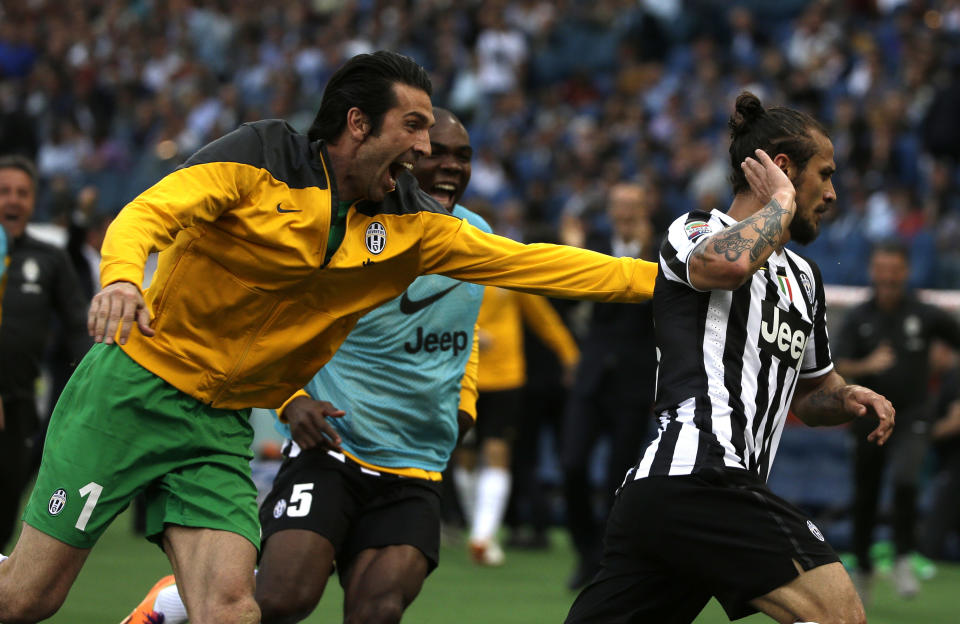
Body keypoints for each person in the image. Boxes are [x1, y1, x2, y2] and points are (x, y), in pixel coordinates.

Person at [0, 51, 658, 624]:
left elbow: (548, 264)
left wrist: (681, 276)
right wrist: (120, 280)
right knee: (28, 599)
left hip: (217, 427)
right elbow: (147, 212)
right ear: (357, 124)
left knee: (233, 611)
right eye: (414, 126)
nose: (426, 150)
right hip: (132, 393)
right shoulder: (259, 157)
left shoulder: (414, 226)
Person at [122, 107, 491, 624]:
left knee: (377, 611)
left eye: (464, 157)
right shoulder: (353, 231)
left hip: (416, 466)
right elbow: (271, 324)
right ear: (403, 162)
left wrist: (465, 404)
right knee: (282, 599)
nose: (451, 166)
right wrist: (291, 400)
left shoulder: (475, 236)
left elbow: (464, 334)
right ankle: (174, 602)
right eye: (437, 154)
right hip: (333, 449)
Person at [565, 92, 895, 624]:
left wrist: (849, 396)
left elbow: (811, 395)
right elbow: (728, 267)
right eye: (825, 175)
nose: (833, 193)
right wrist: (781, 203)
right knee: (839, 616)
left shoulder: (804, 278)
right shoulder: (694, 228)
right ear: (783, 169)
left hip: (687, 500)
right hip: (698, 475)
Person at [834, 239, 960, 601]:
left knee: (907, 477)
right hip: (868, 418)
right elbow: (838, 365)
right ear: (873, 271)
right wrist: (867, 365)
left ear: (905, 272)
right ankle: (863, 566)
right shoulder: (859, 317)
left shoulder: (924, 313)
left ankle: (904, 554)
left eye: (895, 268)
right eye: (881, 268)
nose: (888, 276)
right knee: (866, 495)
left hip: (913, 416)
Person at [559, 182, 658, 590]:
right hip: (593, 375)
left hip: (634, 382)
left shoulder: (662, 250)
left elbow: (661, 306)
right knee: (571, 463)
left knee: (620, 475)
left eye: (632, 205)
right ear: (611, 209)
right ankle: (587, 550)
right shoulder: (594, 245)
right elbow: (565, 299)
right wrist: (574, 255)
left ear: (643, 208)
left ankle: (606, 559)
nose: (625, 212)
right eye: (619, 205)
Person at [0, 155, 91, 553]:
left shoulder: (49, 260)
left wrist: (90, 386)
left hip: (18, 410)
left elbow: (78, 328)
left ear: (33, 201)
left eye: (22, 192)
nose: (13, 201)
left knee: (4, 517)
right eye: (4, 191)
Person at [458, 280, 579, 566]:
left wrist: (570, 354)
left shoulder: (507, 265)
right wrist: (472, 334)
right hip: (463, 377)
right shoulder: (451, 265)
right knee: (465, 459)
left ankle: (482, 536)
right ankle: (478, 526)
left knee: (497, 450)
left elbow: (542, 316)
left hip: (505, 378)